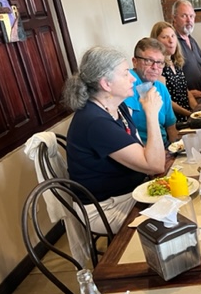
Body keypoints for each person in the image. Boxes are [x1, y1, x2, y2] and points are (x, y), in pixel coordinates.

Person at [64, 46, 165, 234]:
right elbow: (155, 164)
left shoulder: (117, 107)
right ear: (106, 84)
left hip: (131, 191)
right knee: (172, 217)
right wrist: (151, 114)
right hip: (105, 208)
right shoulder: (95, 122)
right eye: (126, 73)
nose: (133, 78)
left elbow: (143, 153)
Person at [124, 38, 179, 147]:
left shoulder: (161, 88)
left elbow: (171, 127)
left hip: (164, 146)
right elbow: (126, 133)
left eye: (159, 63)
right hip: (140, 152)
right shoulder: (128, 85)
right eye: (148, 61)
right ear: (135, 62)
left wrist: (176, 151)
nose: (155, 67)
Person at [150, 21, 198, 122]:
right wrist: (189, 114)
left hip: (187, 114)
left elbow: (185, 90)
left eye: (173, 36)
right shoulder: (158, 68)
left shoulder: (176, 62)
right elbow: (165, 100)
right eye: (165, 37)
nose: (171, 40)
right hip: (174, 119)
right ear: (156, 42)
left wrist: (197, 110)